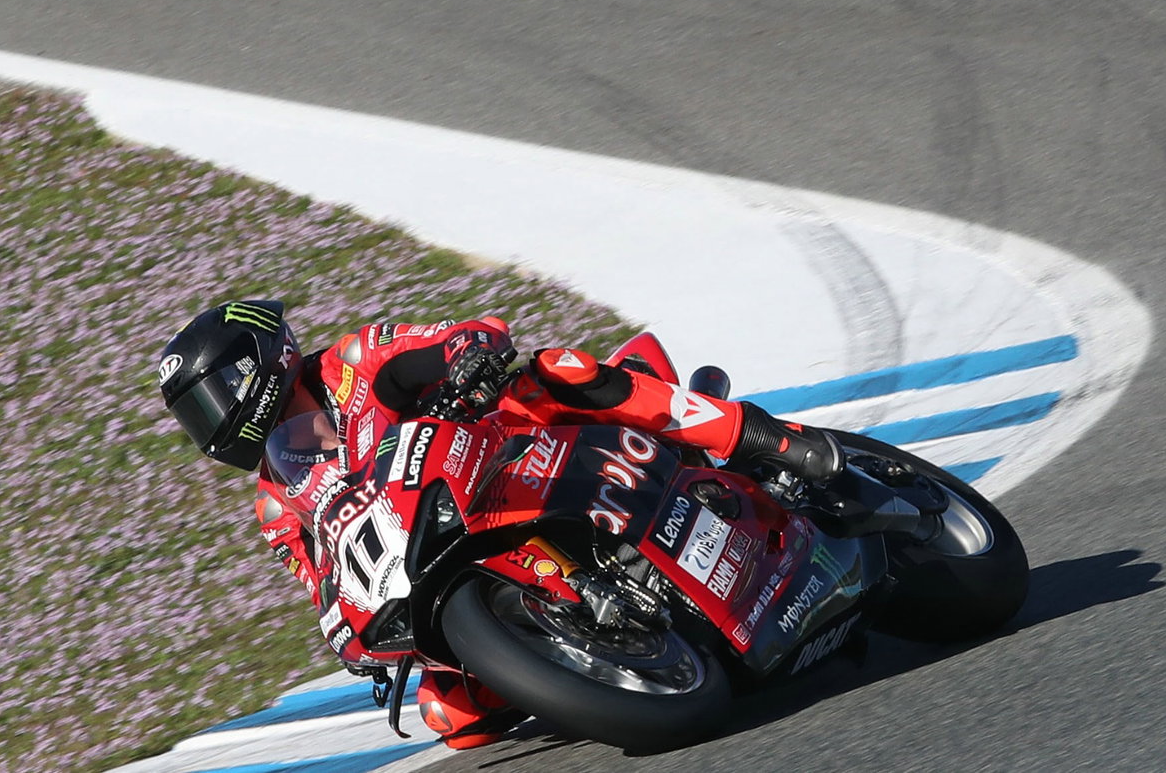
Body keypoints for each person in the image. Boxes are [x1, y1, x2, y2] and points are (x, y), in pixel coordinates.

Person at [157, 299, 842, 749]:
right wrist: (352, 639)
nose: (209, 424)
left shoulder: (355, 363)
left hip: (512, 454)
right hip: (431, 555)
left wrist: (468, 358)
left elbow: (464, 334)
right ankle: (597, 642)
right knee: (451, 719)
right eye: (195, 413)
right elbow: (322, 585)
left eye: (210, 397)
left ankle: (763, 440)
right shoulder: (276, 501)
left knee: (557, 369)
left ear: (257, 365)